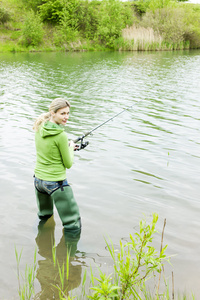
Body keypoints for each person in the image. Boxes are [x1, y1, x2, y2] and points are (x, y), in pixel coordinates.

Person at [33, 98, 81, 238]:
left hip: (38, 181)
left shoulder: (39, 127)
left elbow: (49, 150)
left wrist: (66, 146)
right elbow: (68, 164)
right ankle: (70, 254)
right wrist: (71, 148)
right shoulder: (61, 135)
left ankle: (43, 248)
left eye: (67, 113)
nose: (66, 117)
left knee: (44, 215)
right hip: (56, 183)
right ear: (52, 113)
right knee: (73, 224)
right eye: (62, 113)